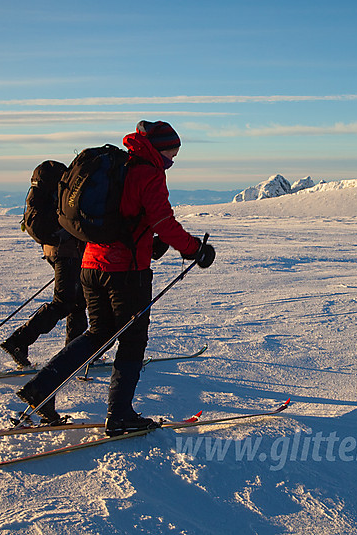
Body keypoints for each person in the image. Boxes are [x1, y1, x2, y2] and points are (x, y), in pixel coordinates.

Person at [16, 121, 215, 432]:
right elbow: (164, 222)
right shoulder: (147, 173)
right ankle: (120, 414)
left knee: (97, 333)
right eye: (172, 151)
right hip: (126, 272)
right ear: (159, 148)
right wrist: (196, 251)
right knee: (132, 341)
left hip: (90, 265)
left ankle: (41, 388)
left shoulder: (118, 165)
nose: (173, 158)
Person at [0, 235, 87, 368]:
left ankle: (74, 351)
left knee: (77, 301)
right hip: (68, 251)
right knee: (64, 303)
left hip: (60, 249)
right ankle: (18, 341)